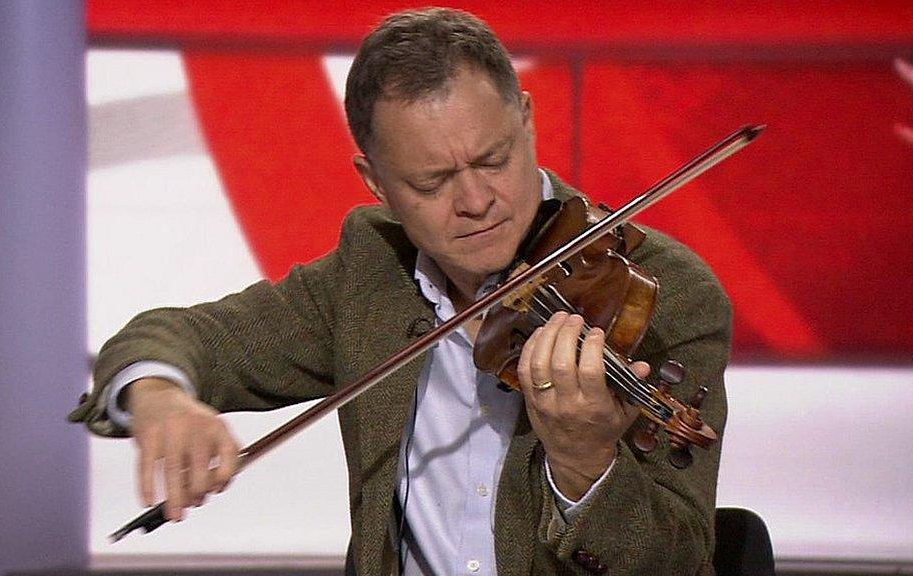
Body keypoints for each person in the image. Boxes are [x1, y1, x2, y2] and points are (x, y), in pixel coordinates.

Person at [69, 7, 732, 576]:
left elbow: (680, 562)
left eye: (493, 160)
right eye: (431, 182)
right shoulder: (373, 272)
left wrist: (588, 466)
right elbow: (180, 337)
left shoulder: (667, 293)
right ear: (376, 181)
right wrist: (159, 398)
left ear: (526, 121)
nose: (476, 201)